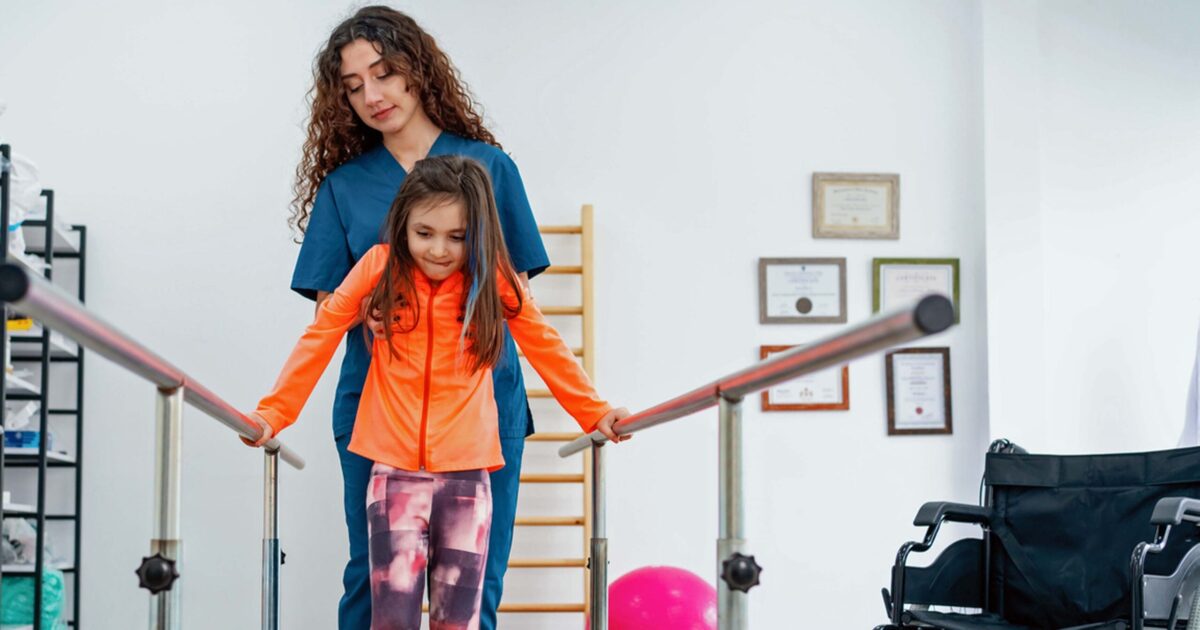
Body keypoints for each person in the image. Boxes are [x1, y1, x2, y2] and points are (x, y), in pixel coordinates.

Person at [250, 155, 628, 628]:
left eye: (457, 237)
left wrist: (596, 414)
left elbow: (545, 344)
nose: (439, 250)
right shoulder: (378, 267)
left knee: (458, 621)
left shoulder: (491, 279)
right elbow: (321, 336)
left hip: (468, 480)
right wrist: (273, 414)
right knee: (392, 619)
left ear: (478, 234)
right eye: (424, 233)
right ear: (402, 223)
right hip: (394, 479)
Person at [285, 6, 551, 628]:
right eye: (353, 87)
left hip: (482, 406)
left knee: (475, 583)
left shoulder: (489, 167)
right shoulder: (344, 187)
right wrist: (364, 309)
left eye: (385, 73)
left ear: (418, 70)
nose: (372, 95)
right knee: (372, 582)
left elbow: (516, 295)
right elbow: (329, 305)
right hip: (378, 410)